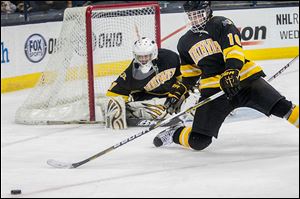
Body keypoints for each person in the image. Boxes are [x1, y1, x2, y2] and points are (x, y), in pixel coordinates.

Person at [153, 1, 299, 150]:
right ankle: (176, 132)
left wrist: (232, 71)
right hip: (214, 90)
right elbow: (190, 74)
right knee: (198, 142)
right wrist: (180, 91)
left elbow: (233, 50)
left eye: (198, 14)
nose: (195, 19)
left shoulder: (221, 24)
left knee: (284, 108)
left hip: (243, 80)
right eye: (191, 15)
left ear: (208, 11)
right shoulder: (184, 42)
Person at [106, 37, 184, 121]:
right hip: (148, 99)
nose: (143, 60)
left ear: (153, 53)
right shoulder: (133, 70)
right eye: (139, 57)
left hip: (172, 96)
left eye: (146, 56)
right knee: (160, 112)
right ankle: (135, 111)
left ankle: (140, 112)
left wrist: (180, 94)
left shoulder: (170, 57)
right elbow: (117, 89)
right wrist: (114, 107)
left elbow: (184, 79)